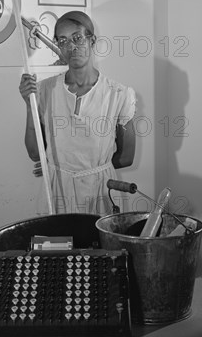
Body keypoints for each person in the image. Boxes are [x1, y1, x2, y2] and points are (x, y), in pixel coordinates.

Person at [19, 11, 136, 215]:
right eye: (62, 40)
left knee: (101, 245)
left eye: (78, 38)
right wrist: (30, 105)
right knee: (58, 245)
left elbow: (127, 157)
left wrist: (85, 170)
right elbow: (34, 153)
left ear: (92, 40)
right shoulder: (44, 90)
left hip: (101, 193)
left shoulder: (118, 94)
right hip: (57, 192)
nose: (71, 47)